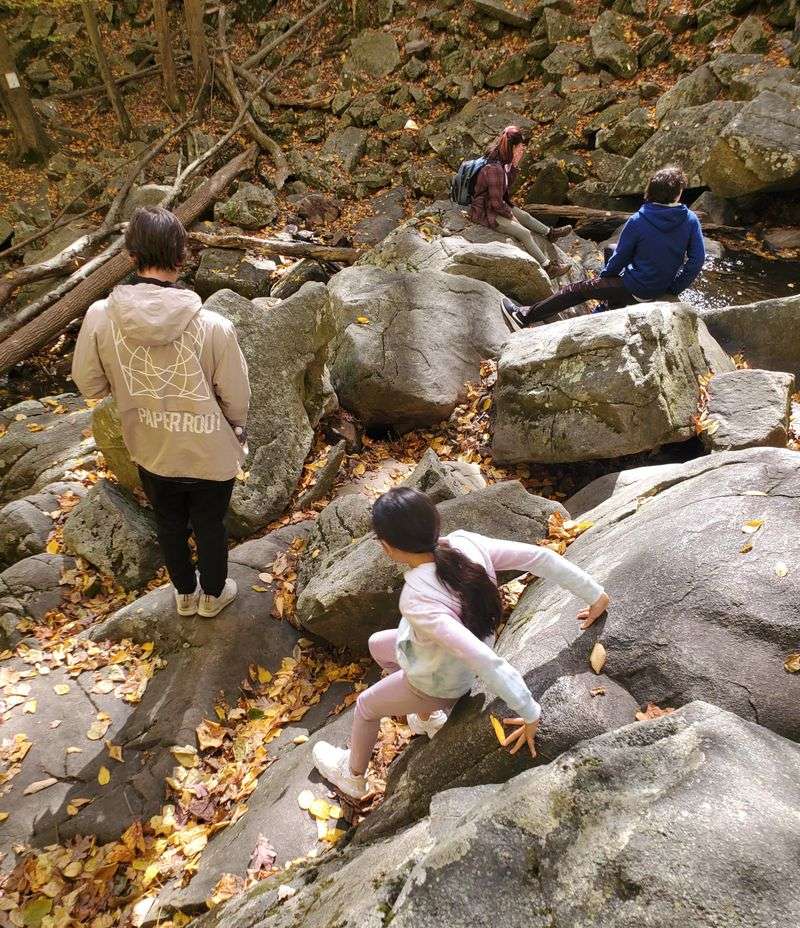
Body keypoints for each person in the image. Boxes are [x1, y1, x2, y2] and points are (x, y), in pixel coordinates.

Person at [312, 487, 609, 799]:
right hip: (434, 656)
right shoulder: (466, 543)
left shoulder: (417, 599)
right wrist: (595, 593)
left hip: (439, 685)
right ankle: (426, 719)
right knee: (377, 644)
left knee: (366, 706)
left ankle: (353, 775)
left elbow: (481, 658)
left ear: (387, 547)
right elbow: (539, 557)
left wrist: (530, 711)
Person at [72, 206, 250, 619]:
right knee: (210, 524)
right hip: (209, 450)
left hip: (150, 445)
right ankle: (213, 595)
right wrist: (237, 427)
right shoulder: (214, 326)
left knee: (168, 521)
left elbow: (89, 385)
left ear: (132, 257)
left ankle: (184, 594)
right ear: (182, 257)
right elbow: (237, 398)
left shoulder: (101, 317)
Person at [501, 164, 706, 330]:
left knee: (578, 289)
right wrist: (674, 287)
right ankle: (611, 303)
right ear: (677, 195)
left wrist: (603, 280)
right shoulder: (690, 219)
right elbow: (697, 260)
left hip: (639, 288)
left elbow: (623, 258)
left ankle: (523, 316)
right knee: (610, 249)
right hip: (660, 284)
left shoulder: (639, 220)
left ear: (651, 191)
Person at [469, 125, 572, 277]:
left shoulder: (503, 161)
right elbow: (497, 204)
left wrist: (515, 166)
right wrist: (511, 216)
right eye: (521, 146)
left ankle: (550, 233)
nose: (523, 150)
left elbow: (505, 190)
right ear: (513, 147)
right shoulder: (494, 168)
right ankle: (548, 267)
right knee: (524, 233)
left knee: (525, 216)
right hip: (485, 212)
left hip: (494, 205)